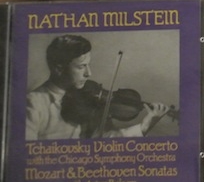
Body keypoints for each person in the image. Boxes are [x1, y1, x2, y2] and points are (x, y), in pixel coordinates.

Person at [26, 34, 169, 140]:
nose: (89, 73)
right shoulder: (33, 104)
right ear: (59, 69)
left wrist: (144, 127)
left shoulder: (87, 99)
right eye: (81, 67)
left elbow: (102, 139)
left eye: (88, 65)